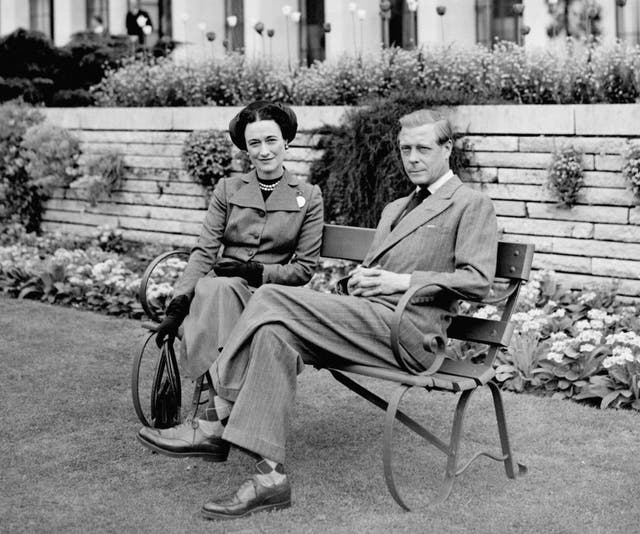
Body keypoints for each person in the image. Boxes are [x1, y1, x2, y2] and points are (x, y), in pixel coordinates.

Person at [138, 109, 498, 520]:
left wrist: (399, 283)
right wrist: (359, 281)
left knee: (271, 299)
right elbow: (374, 272)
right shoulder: (395, 208)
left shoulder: (471, 204)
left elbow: (477, 281)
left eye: (423, 148)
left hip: (411, 333)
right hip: (368, 320)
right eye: (405, 149)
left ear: (447, 148)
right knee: (274, 335)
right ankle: (270, 478)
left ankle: (214, 418)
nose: (412, 157)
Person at [138, 101, 324, 455]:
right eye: (255, 143)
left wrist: (254, 271)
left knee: (216, 288)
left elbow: (304, 270)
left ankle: (210, 420)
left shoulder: (309, 196)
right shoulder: (228, 189)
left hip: (271, 298)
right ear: (245, 148)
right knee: (215, 286)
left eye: (272, 140)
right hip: (223, 294)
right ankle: (217, 419)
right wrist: (179, 304)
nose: (264, 151)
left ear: (287, 141)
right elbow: (204, 251)